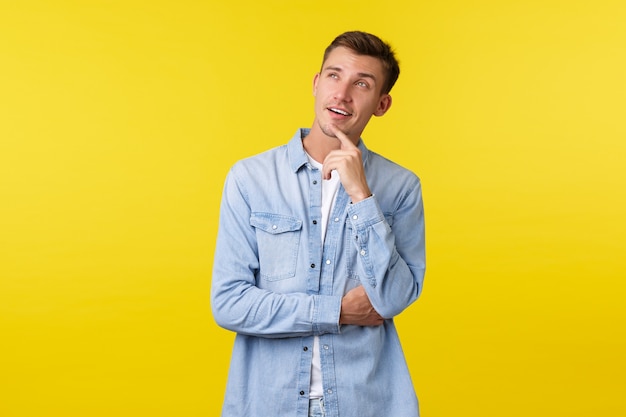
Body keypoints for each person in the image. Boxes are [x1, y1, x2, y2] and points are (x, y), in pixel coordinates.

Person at [211, 30, 426, 417]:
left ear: (382, 103)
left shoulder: (401, 187)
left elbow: (393, 299)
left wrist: (363, 197)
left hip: (367, 402)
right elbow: (229, 304)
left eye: (361, 84)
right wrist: (336, 311)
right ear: (315, 83)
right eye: (333, 75)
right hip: (267, 403)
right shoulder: (250, 179)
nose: (342, 94)